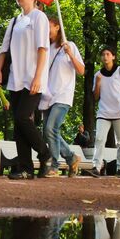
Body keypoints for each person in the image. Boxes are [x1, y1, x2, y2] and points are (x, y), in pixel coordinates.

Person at [2, 0, 50, 179]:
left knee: (23, 118)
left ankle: (45, 153)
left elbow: (42, 49)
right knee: (18, 123)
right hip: (16, 78)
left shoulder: (39, 17)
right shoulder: (16, 20)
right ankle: (26, 169)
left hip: (32, 79)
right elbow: (5, 48)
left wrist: (38, 77)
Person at [40, 16, 84, 177]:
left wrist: (70, 54)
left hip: (63, 94)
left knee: (51, 129)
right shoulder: (45, 48)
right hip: (47, 95)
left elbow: (81, 70)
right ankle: (71, 158)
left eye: (49, 26)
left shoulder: (69, 45)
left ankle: (54, 165)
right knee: (49, 132)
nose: (46, 30)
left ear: (57, 27)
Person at [91, 45, 120, 177]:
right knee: (99, 138)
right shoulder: (98, 75)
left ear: (113, 57)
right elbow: (96, 97)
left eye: (108, 54)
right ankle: (96, 166)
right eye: (103, 54)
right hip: (103, 112)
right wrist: (98, 83)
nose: (105, 57)